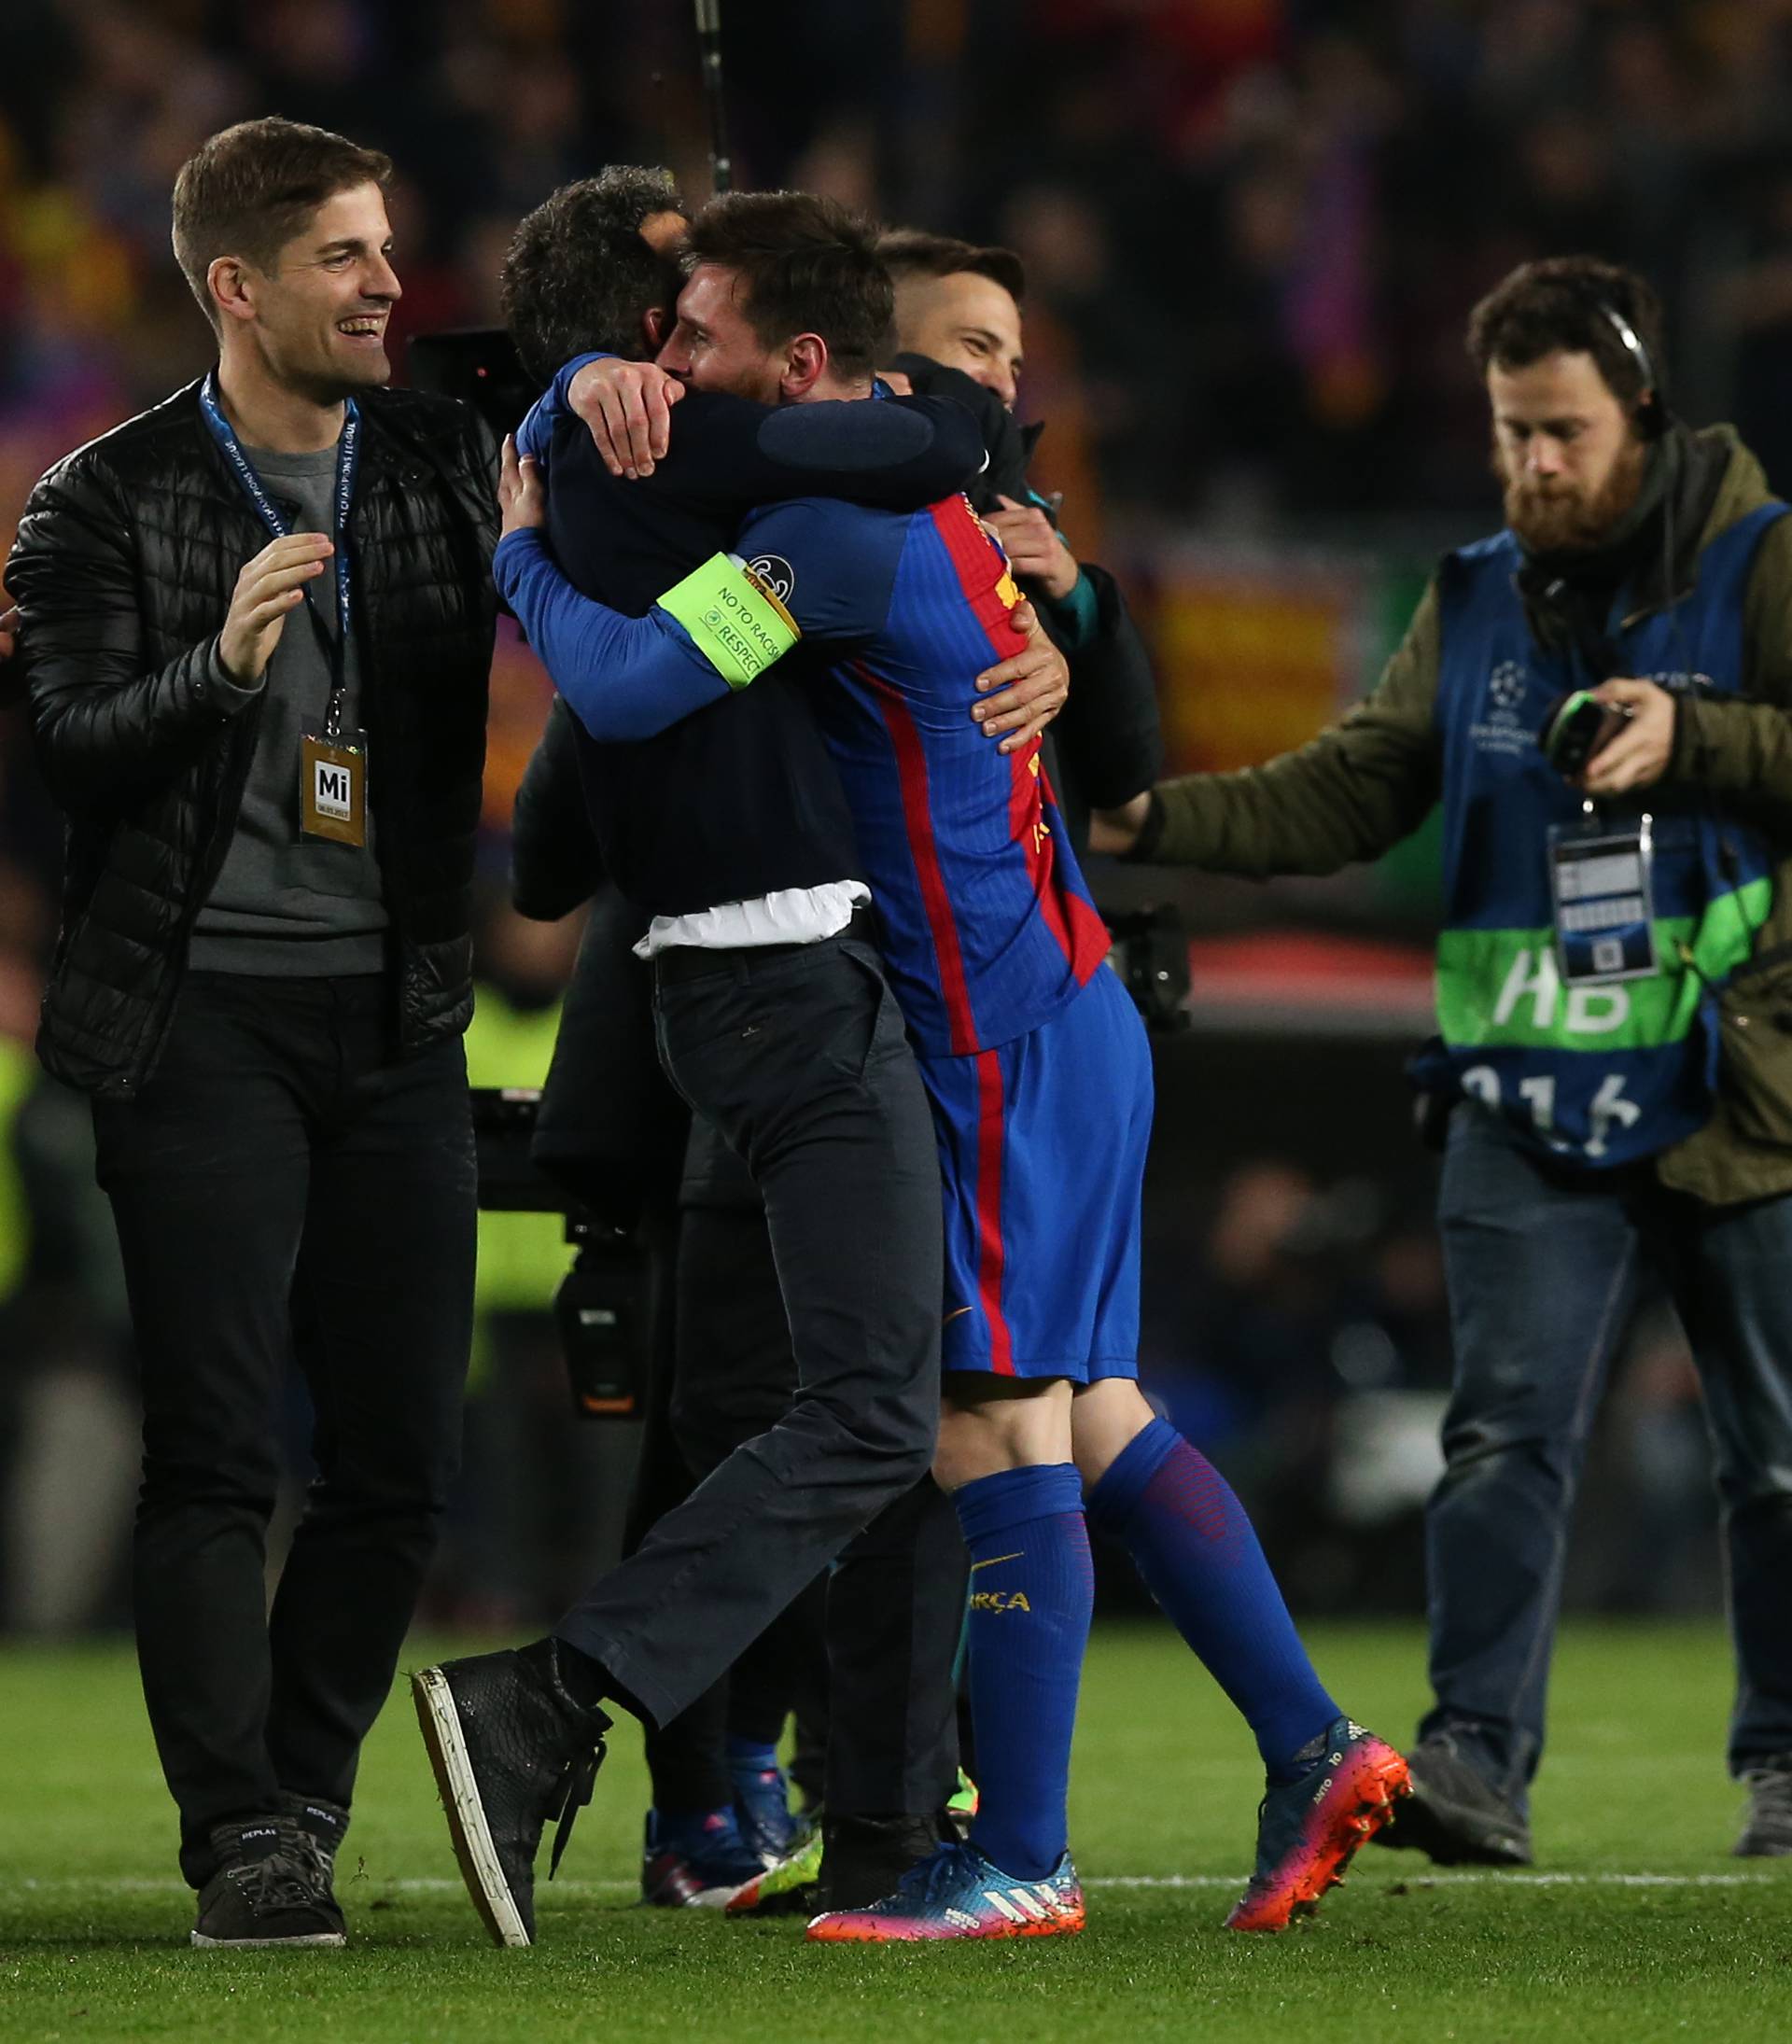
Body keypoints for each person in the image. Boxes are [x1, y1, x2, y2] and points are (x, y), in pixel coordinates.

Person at [480, 189, 1407, 1944]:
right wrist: (578, 374)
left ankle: (1027, 1855)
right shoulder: (934, 507)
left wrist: (521, 547)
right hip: (1070, 1001)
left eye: (703, 338)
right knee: (1098, 1409)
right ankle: (1310, 1741)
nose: (678, 369)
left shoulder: (823, 542)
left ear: (814, 367)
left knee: (987, 1424)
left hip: (982, 1018)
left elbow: (620, 689)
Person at [410, 175, 1069, 1950]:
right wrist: (527, 553)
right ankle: (560, 1703)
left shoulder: (630, 454)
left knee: (879, 1399)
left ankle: (862, 1830)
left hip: (746, 993)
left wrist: (536, 483)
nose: (668, 354)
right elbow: (938, 440)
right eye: (660, 322)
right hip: (794, 982)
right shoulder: (703, 471)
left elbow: (560, 818)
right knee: (879, 1405)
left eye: (689, 327)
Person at [1092, 254, 1792, 1868]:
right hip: (1526, 1080)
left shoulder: (1763, 565)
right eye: (1509, 431)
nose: (1536, 463)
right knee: (1501, 1436)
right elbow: (1357, 787)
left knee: (1778, 1445)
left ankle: (1788, 1768)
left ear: (1643, 416)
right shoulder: (1471, 592)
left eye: (1563, 430)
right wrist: (1154, 821)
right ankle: (1476, 1757)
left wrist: (1706, 739)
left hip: (1738, 1083)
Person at [5, 117, 498, 1948]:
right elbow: (61, 746)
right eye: (346, 258)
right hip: (197, 1009)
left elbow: (611, 523)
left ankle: (300, 1785)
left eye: (389, 250)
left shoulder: (441, 465)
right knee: (218, 1443)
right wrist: (214, 671)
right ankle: (243, 1842)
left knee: (404, 1460)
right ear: (238, 285)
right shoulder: (104, 500)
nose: (388, 286)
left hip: (395, 1007)